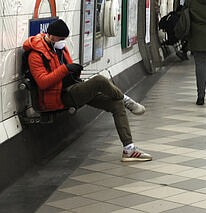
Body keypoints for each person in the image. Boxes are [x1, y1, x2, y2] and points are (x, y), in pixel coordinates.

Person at [22, 19, 152, 162]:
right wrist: (65, 69)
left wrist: (74, 71)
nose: (63, 42)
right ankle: (126, 99)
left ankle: (129, 150)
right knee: (100, 80)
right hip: (59, 97)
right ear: (52, 36)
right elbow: (43, 82)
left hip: (72, 88)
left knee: (116, 105)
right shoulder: (36, 55)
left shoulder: (59, 48)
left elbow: (66, 71)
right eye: (61, 39)